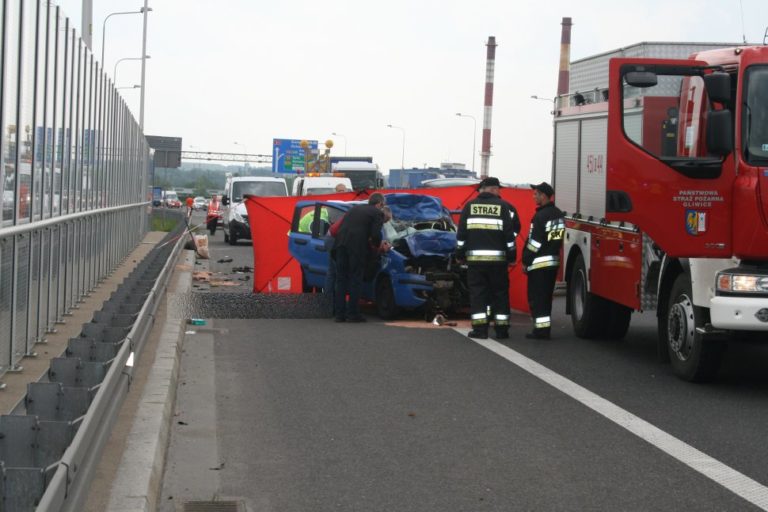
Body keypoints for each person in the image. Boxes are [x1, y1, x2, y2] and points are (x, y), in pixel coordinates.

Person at [456, 177, 521, 339]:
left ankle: (480, 330)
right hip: (499, 262)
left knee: (478, 294)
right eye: (498, 189)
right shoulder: (503, 207)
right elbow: (509, 236)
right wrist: (512, 256)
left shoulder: (470, 207)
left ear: (482, 189)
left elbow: (461, 236)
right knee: (500, 294)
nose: (499, 192)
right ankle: (502, 330)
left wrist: (459, 255)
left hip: (476, 262)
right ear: (492, 189)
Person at [333, 193, 386, 322]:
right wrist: (379, 246)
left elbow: (342, 227)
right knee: (355, 279)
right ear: (379, 204)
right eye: (382, 205)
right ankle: (353, 314)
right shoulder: (377, 213)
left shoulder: (354, 209)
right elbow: (375, 235)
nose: (382, 208)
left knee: (341, 279)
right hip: (355, 248)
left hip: (340, 245)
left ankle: (339, 314)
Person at [522, 182, 565, 339]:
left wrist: (526, 258)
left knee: (537, 298)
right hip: (552, 263)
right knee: (545, 298)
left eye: (536, 194)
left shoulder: (540, 216)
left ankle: (540, 331)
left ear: (544, 196)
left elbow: (535, 243)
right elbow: (555, 240)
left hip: (538, 264)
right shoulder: (557, 214)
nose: (534, 196)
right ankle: (544, 330)